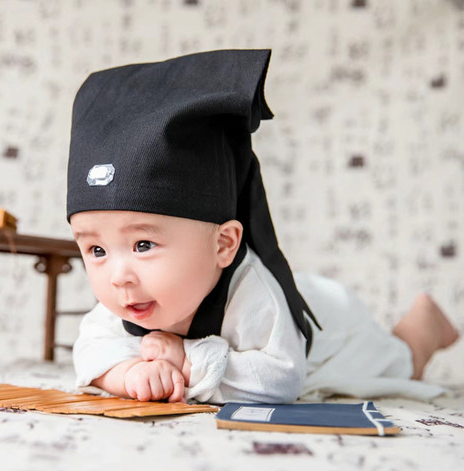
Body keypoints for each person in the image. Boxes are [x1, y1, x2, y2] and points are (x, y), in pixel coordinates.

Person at [67, 49, 459, 404]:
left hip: (331, 329)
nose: (118, 276)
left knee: (399, 364)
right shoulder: (124, 298)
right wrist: (128, 372)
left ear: (224, 244)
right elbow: (90, 349)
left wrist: (187, 361)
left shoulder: (253, 296)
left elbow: (282, 379)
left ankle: (424, 323)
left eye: (143, 245)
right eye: (96, 251)